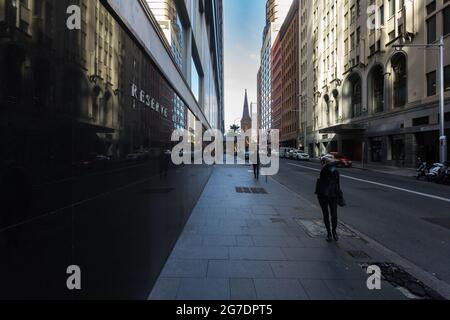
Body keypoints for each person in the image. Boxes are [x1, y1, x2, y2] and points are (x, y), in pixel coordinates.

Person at [315, 158, 344, 242]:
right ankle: (329, 234)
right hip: (323, 195)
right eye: (330, 164)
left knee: (334, 215)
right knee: (326, 215)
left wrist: (340, 196)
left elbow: (338, 185)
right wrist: (340, 161)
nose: (333, 166)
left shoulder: (336, 172)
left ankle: (334, 231)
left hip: (333, 195)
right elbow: (328, 165)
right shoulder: (324, 170)